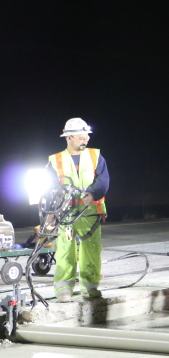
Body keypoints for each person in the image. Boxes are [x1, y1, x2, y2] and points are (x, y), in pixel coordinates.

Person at [48, 118, 109, 302]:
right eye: (81, 137)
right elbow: (49, 188)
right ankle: (63, 290)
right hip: (65, 214)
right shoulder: (55, 160)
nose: (86, 140)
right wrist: (51, 212)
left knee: (91, 251)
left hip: (89, 213)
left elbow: (103, 180)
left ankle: (90, 288)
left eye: (86, 137)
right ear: (69, 138)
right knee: (65, 251)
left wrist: (92, 194)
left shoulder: (95, 156)